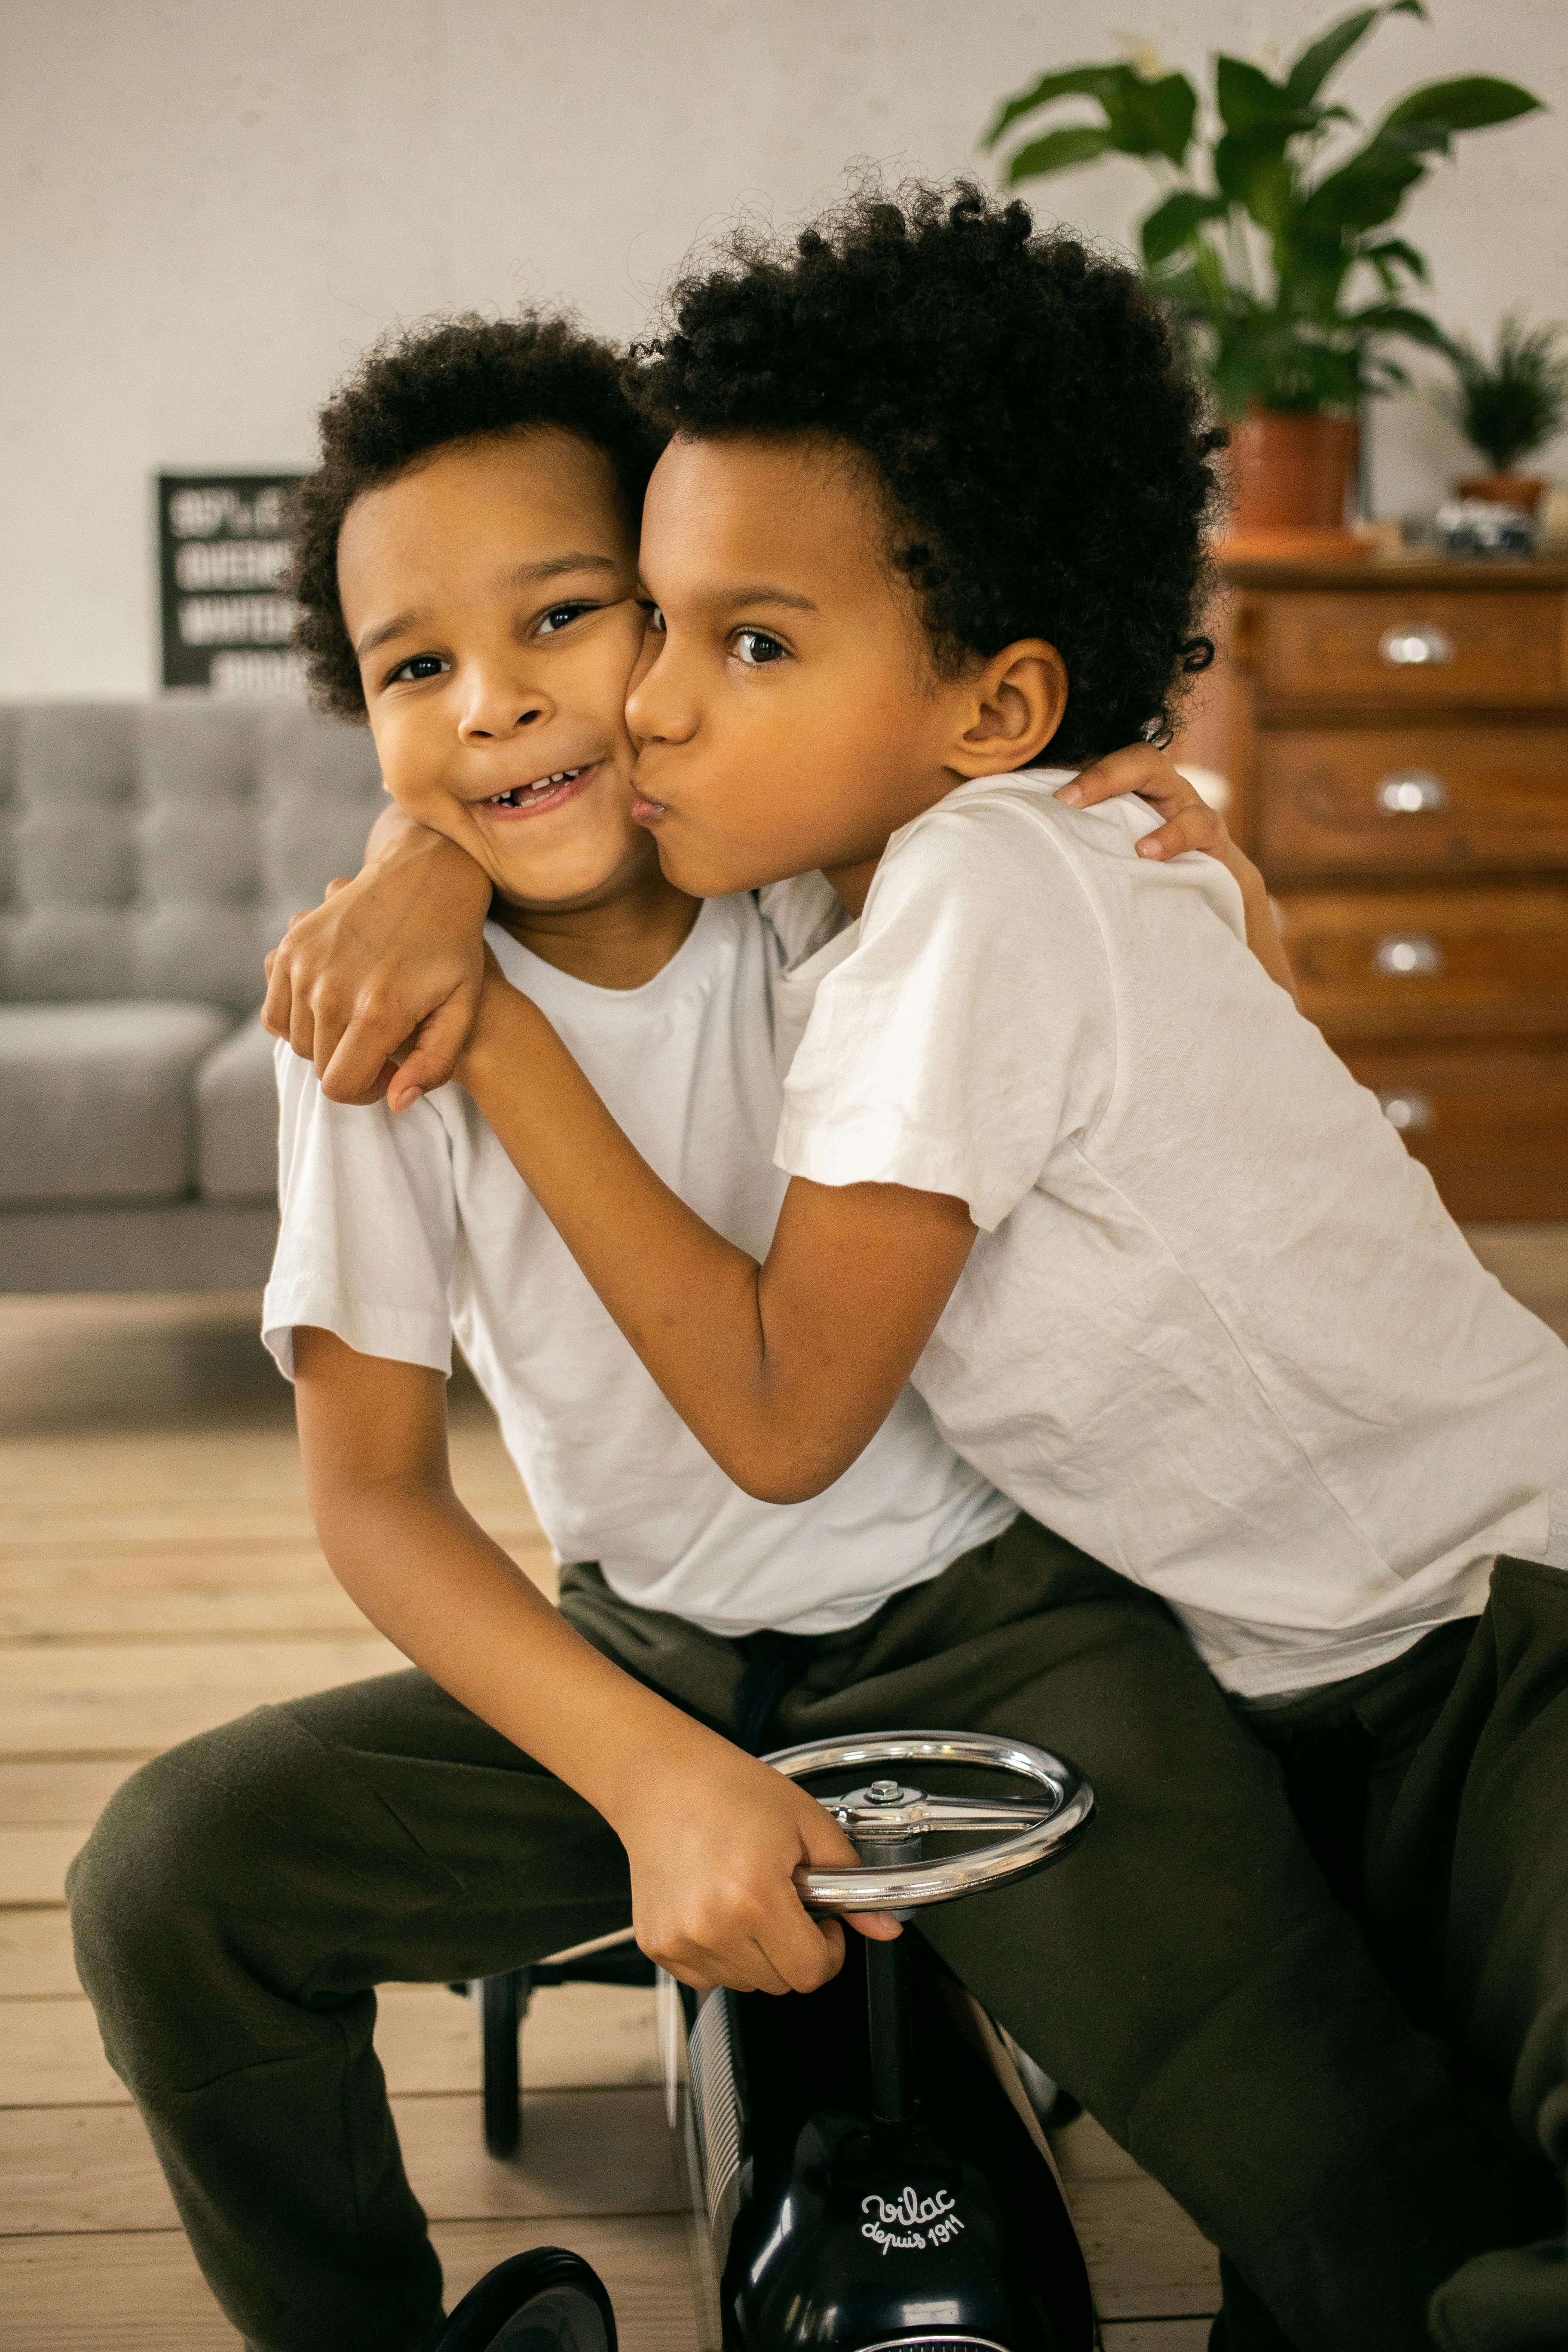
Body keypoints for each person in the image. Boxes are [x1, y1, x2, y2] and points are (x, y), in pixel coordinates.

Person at [332, 190, 1568, 2352]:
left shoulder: (970, 901)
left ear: (994, 702)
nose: (645, 709)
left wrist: (499, 1030)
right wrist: (426, 860)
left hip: (1507, 1637)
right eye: (665, 625)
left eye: (748, 644)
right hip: (1310, 1687)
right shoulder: (891, 890)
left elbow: (791, 1415)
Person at [67, 311, 1358, 2352]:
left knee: (1329, 2117)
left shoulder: (845, 883)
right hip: (640, 1658)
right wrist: (658, 1781)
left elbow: (1029, 823)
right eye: (416, 671)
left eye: (565, 616)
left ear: (666, 627)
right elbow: (378, 1502)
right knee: (164, 1882)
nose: (494, 707)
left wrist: (1177, 847)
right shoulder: (374, 1034)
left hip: (997, 1622)